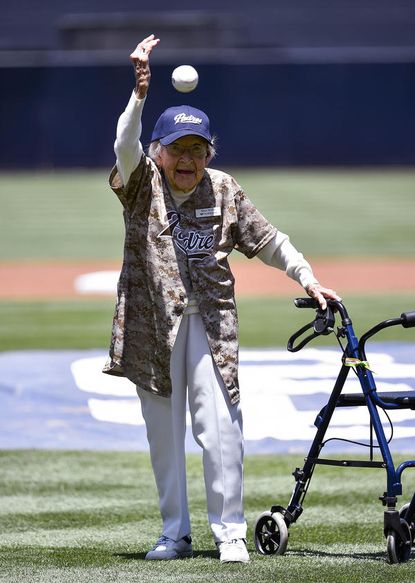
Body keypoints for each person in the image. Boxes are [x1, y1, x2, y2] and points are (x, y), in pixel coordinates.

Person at [103, 34, 341, 564]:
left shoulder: (224, 188)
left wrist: (307, 276)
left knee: (221, 428)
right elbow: (123, 145)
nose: (187, 159)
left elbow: (269, 239)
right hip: (150, 325)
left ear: (209, 152)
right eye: (177, 149)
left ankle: (229, 532)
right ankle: (174, 533)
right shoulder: (141, 183)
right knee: (164, 437)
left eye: (197, 149)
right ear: (157, 152)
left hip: (211, 324)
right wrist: (139, 94)